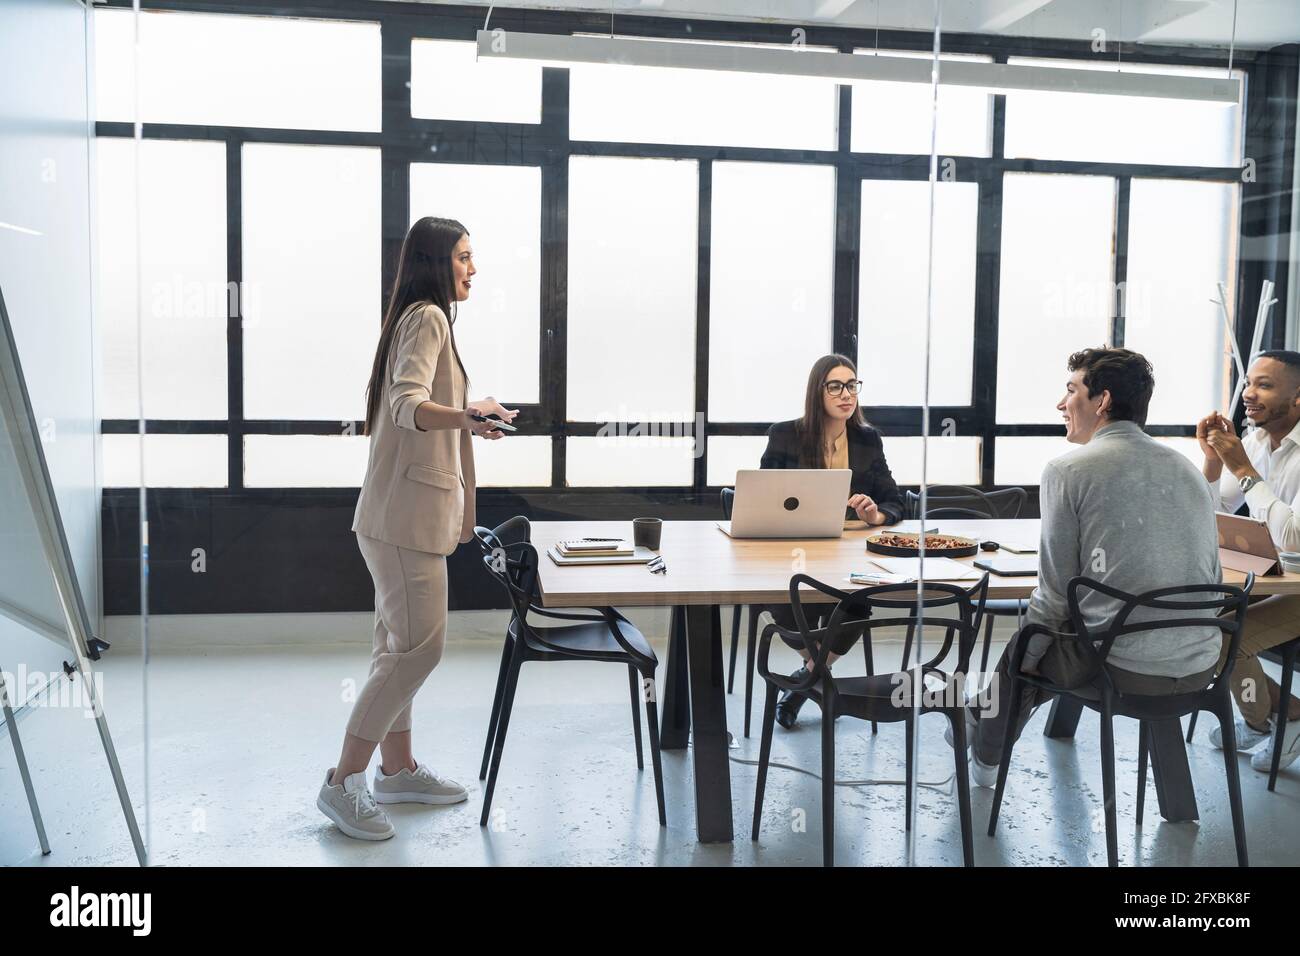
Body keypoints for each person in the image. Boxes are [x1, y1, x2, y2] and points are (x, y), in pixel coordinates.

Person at [316, 217, 518, 840]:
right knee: (419, 650)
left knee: (396, 647)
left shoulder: (422, 320)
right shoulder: (427, 318)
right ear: (437, 260)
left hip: (401, 517)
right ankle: (343, 779)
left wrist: (469, 416)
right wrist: (466, 414)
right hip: (404, 520)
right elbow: (406, 405)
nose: (472, 269)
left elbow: (413, 407)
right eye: (463, 256)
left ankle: (396, 768)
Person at [966, 347, 1223, 786]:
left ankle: (984, 753)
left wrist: (1024, 666)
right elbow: (1210, 578)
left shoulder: (1068, 469)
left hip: (1118, 670)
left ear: (1101, 401)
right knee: (1075, 633)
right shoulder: (1187, 468)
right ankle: (982, 718)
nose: (1061, 404)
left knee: (1028, 643)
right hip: (1201, 665)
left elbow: (1052, 592)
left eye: (1070, 391)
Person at [759, 353, 904, 729]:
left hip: (847, 554)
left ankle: (803, 681)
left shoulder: (867, 439)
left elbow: (895, 499)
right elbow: (763, 496)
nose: (846, 394)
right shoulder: (786, 434)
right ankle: (818, 679)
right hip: (793, 551)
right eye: (836, 386)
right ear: (817, 391)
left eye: (852, 385)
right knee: (786, 606)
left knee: (858, 606)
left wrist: (876, 515)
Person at [1199, 350, 1300, 772]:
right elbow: (1212, 507)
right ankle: (1267, 719)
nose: (1249, 394)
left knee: (1221, 640)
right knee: (1197, 622)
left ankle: (1281, 717)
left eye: (1265, 385)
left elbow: (1294, 535)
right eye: (1249, 383)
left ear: (1297, 398)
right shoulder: (1258, 441)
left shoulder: (1251, 452)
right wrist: (1210, 458)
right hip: (1278, 578)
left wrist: (1241, 467)